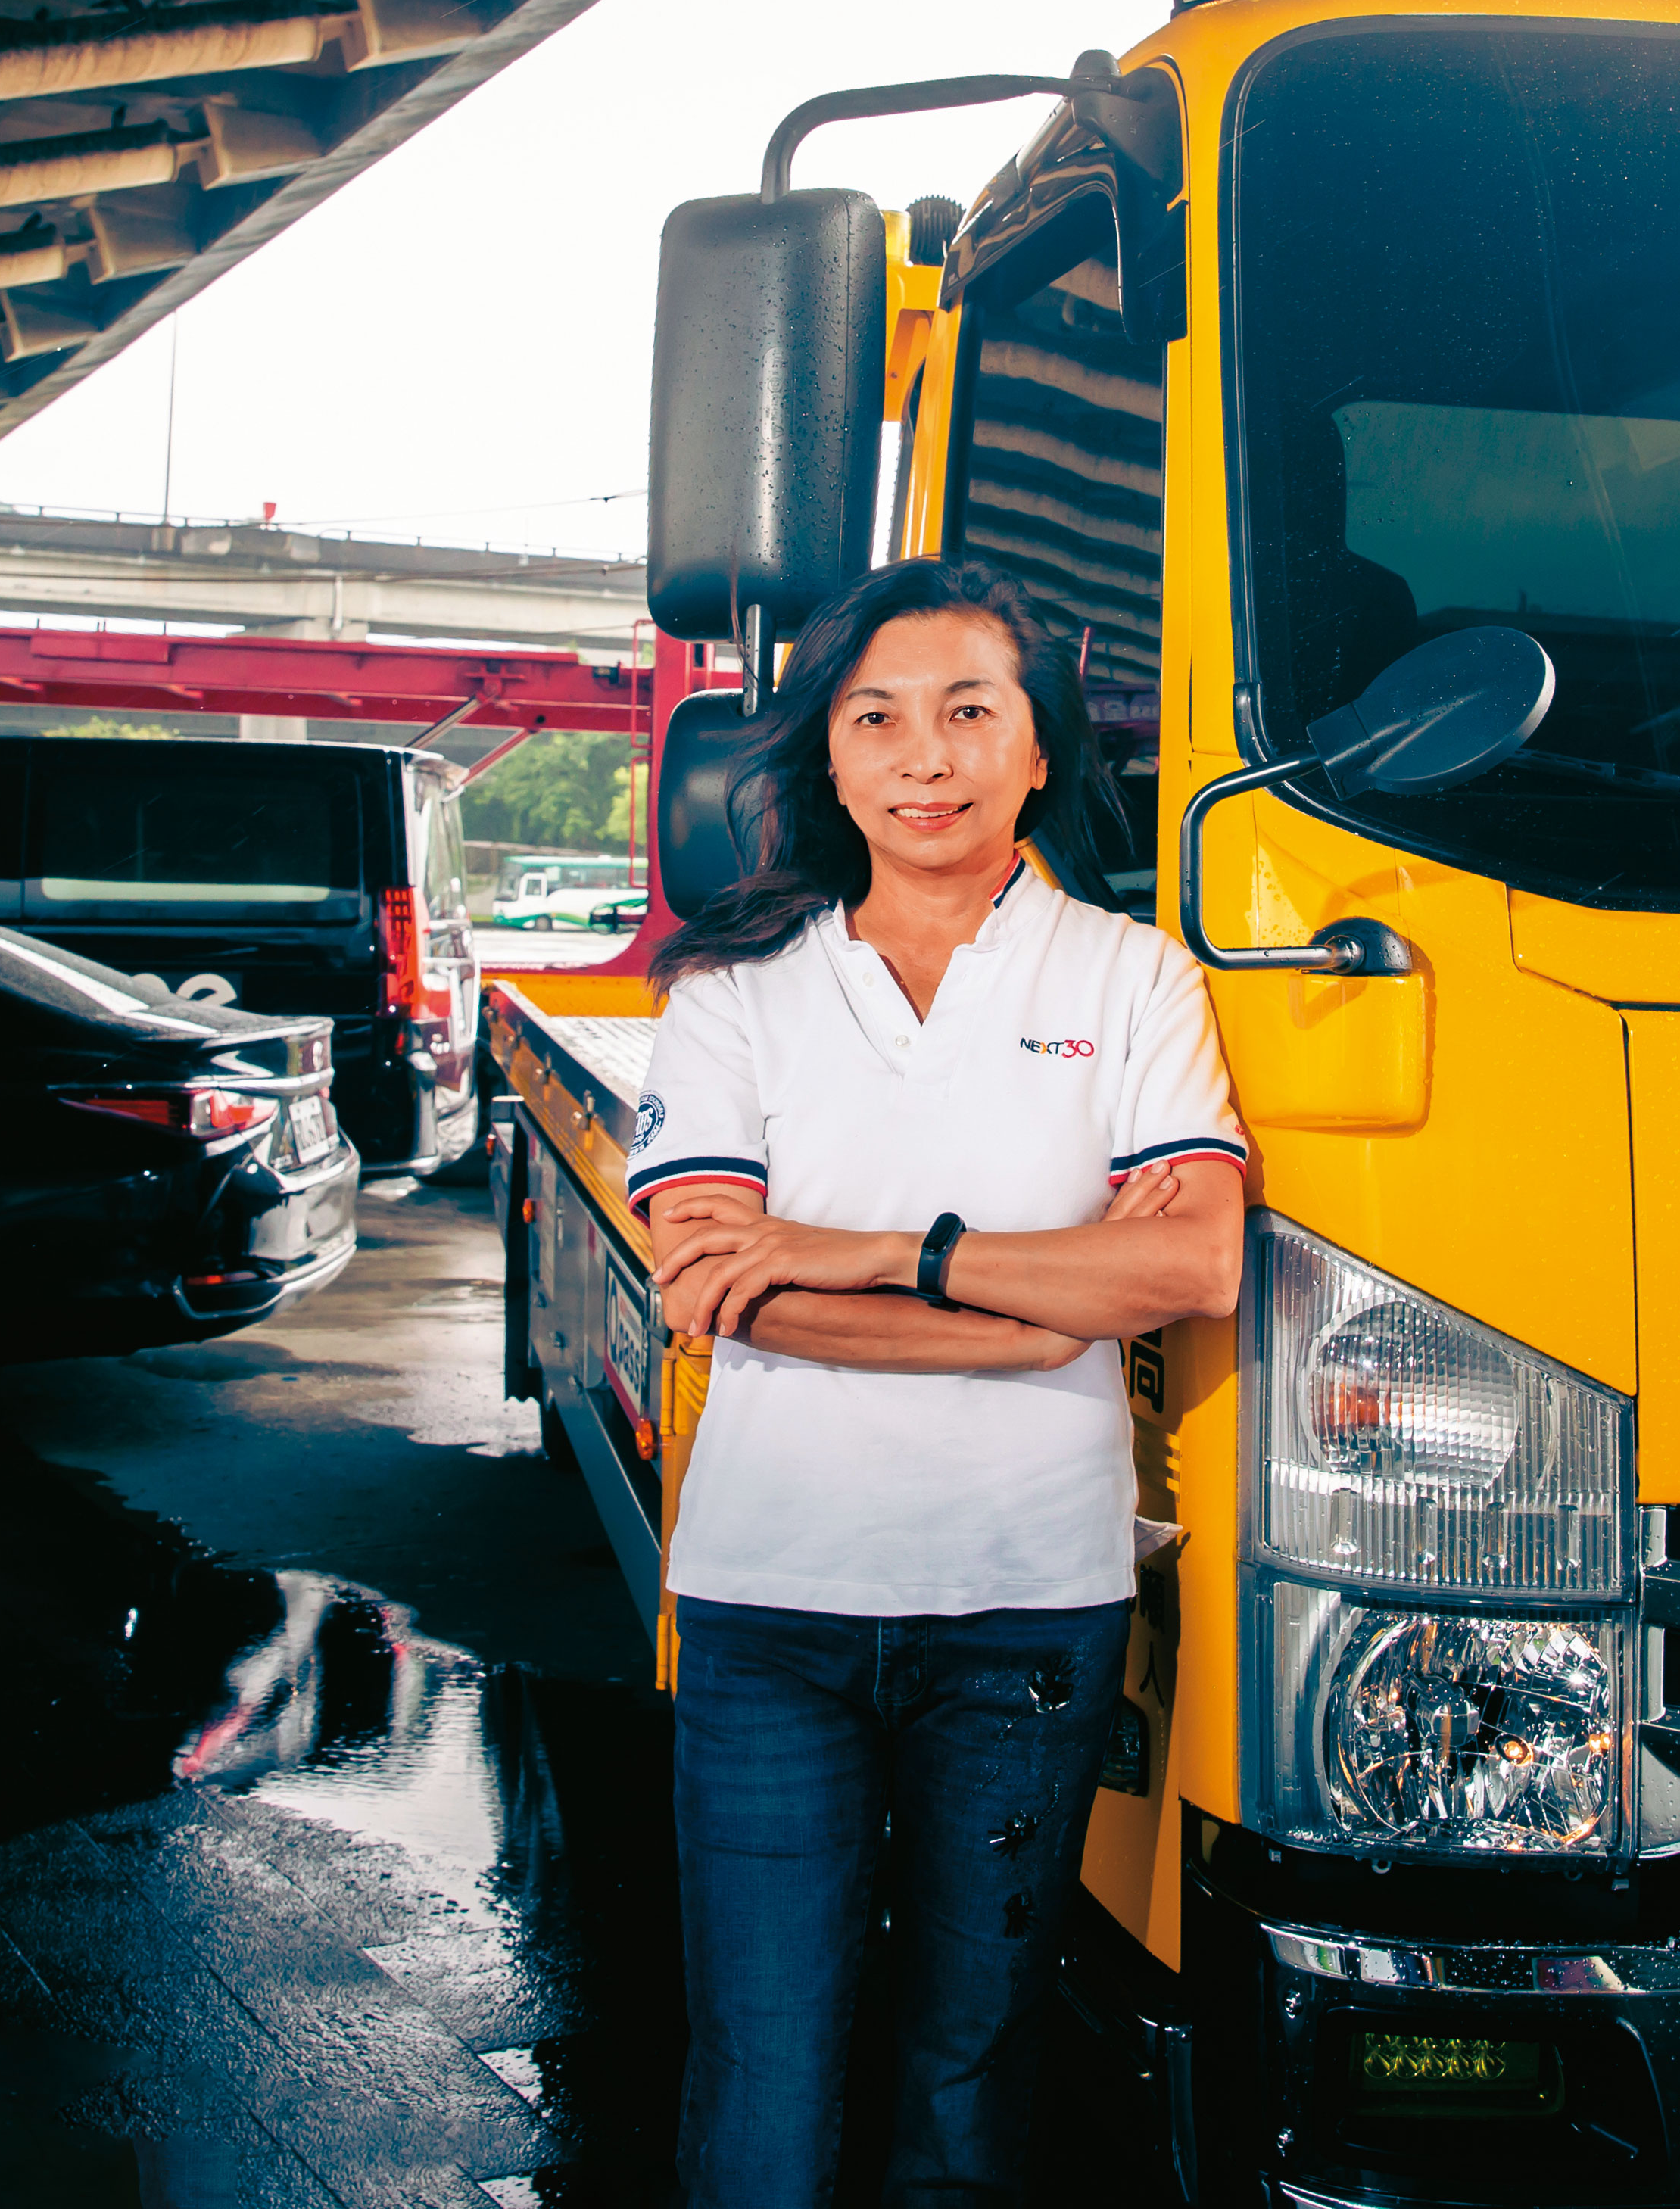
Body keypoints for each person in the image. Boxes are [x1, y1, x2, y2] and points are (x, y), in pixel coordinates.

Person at [636, 559, 1248, 2208]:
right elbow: (708, 1282)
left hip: (1026, 1613)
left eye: (972, 711)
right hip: (774, 1607)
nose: (928, 756)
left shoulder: (1132, 980)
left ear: (1039, 748)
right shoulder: (730, 990)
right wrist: (1042, 1301)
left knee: (971, 2075)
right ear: (826, 760)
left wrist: (849, 1254)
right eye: (879, 718)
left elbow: (1190, 1268)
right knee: (765, 2072)